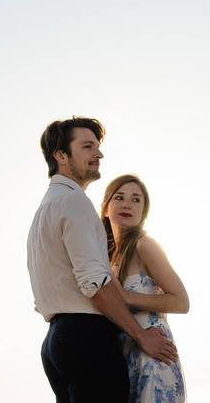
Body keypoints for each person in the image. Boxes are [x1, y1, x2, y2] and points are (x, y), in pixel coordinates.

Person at [27, 117, 178, 402]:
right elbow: (94, 282)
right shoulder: (74, 202)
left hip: (55, 343)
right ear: (61, 155)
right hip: (85, 336)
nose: (99, 154)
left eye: (98, 147)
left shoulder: (43, 211)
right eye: (87, 147)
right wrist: (141, 335)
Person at [101, 174, 188, 403]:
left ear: (143, 213)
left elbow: (181, 301)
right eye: (119, 197)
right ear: (106, 208)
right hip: (127, 356)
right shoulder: (107, 260)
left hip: (155, 356)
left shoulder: (145, 245)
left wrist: (127, 297)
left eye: (136, 200)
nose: (127, 204)